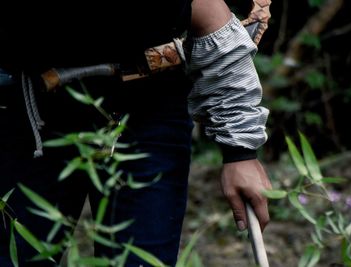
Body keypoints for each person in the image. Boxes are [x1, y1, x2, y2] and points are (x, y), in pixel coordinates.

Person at [0, 0, 272, 266]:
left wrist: (240, 153)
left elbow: (214, 24)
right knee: (16, 252)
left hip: (149, 112)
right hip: (34, 113)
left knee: (140, 257)